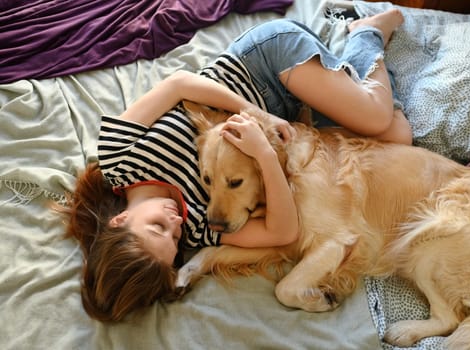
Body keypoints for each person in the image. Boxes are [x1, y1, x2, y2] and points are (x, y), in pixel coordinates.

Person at [62, 9, 411, 322]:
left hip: (263, 66)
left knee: (375, 117)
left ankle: (368, 31)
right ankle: (344, 75)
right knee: (399, 140)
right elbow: (283, 233)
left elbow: (178, 84)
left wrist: (255, 114)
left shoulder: (117, 158)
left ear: (120, 220)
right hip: (291, 124)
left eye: (156, 227)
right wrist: (263, 154)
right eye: (174, 239)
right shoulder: (202, 222)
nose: (174, 223)